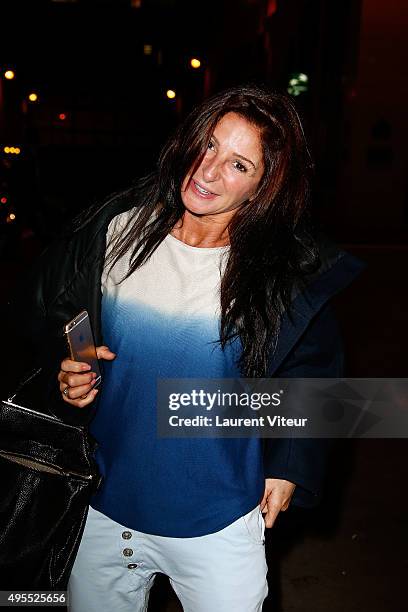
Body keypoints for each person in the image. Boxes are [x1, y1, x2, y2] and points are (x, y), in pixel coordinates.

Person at [19, 85, 363, 611]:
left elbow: (313, 375)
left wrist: (289, 461)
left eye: (238, 165)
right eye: (207, 144)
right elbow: (64, 315)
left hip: (218, 521)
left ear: (262, 188)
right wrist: (73, 370)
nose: (208, 170)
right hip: (103, 508)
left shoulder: (278, 274)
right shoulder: (117, 231)